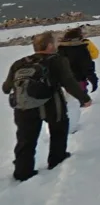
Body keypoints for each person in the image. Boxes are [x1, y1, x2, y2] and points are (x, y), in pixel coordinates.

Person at [3, 31, 93, 182]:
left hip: (23, 107)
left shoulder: (19, 63)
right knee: (59, 129)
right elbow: (68, 82)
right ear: (50, 45)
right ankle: (56, 160)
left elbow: (6, 88)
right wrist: (84, 98)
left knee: (25, 139)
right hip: (51, 104)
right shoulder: (57, 60)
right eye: (55, 42)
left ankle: (22, 172)